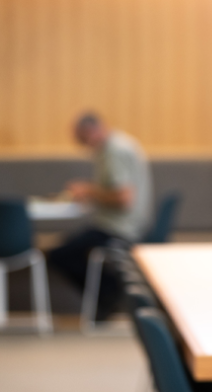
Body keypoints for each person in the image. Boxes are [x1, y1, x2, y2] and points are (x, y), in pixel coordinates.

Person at [48, 112, 153, 320]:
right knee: (68, 247)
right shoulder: (117, 145)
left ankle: (110, 292)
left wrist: (88, 191)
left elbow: (124, 199)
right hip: (121, 223)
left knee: (59, 255)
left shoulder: (114, 151)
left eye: (82, 140)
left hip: (121, 227)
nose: (83, 146)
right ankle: (108, 295)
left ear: (92, 131)